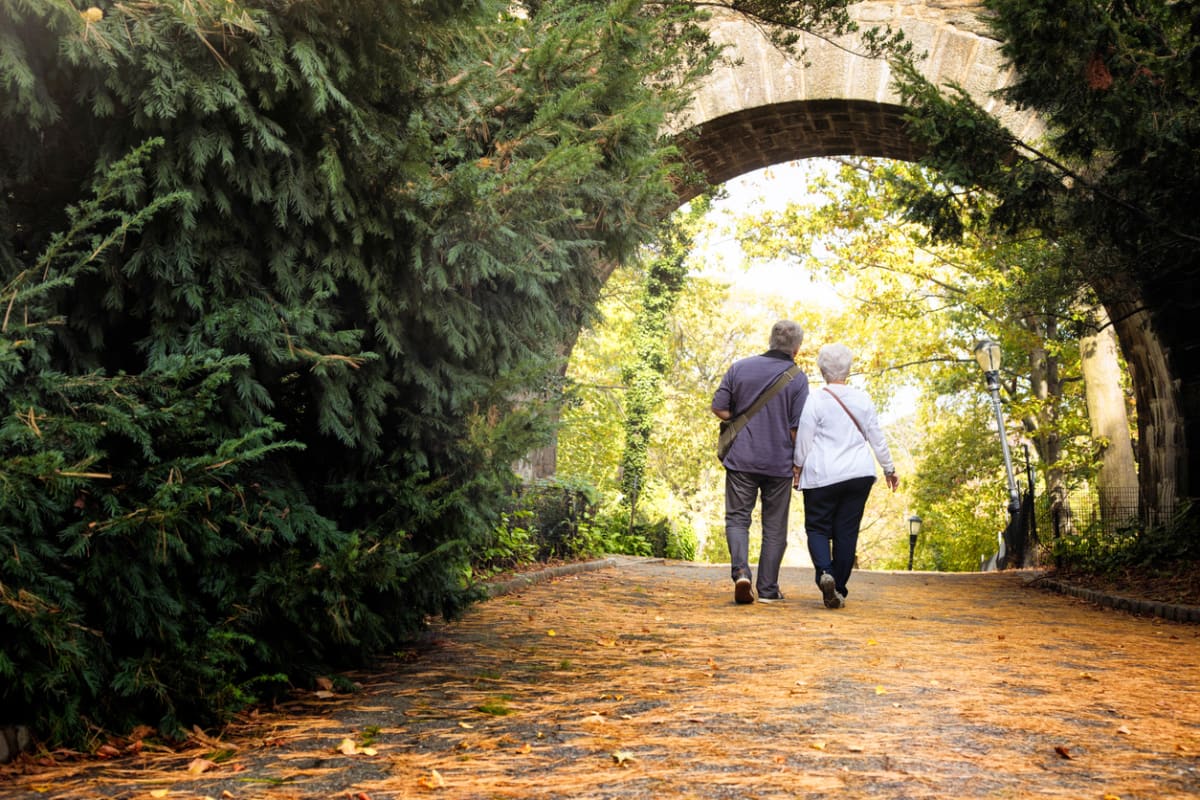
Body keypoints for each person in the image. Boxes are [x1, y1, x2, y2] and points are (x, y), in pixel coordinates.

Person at [792, 343, 898, 609]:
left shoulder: (815, 399)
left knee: (817, 527)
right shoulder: (862, 399)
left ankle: (825, 572)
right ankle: (837, 587)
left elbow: (804, 437)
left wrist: (797, 466)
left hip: (823, 475)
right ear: (848, 370)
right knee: (846, 532)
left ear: (822, 369)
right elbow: (877, 437)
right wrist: (889, 468)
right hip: (858, 474)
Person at [712, 320, 809, 605]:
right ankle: (768, 589)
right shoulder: (798, 377)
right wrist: (798, 462)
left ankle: (741, 572)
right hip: (778, 462)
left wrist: (740, 420)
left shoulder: (739, 368)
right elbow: (796, 429)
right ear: (797, 348)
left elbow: (719, 408)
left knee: (738, 519)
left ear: (770, 340)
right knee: (775, 527)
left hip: (741, 458)